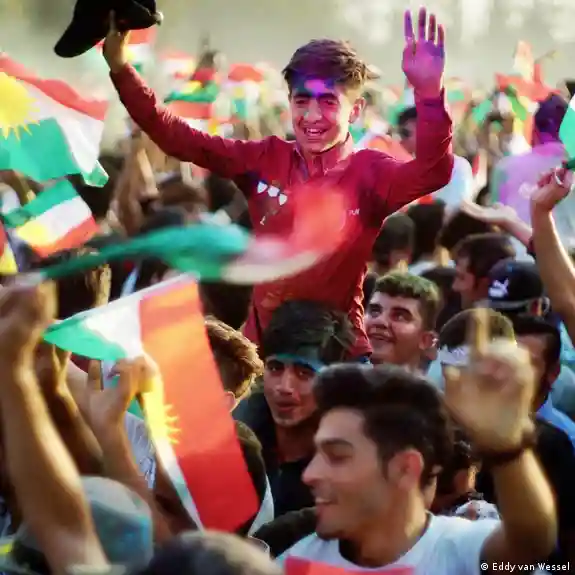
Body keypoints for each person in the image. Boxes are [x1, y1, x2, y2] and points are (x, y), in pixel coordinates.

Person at [102, 8, 454, 359]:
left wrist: (429, 94)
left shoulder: (372, 173)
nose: (312, 116)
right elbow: (177, 137)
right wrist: (120, 67)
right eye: (302, 101)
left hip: (337, 357)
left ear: (356, 110)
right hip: (264, 353)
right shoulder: (263, 158)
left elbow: (434, 171)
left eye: (328, 102)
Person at [279, 352, 557, 573]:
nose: (310, 475)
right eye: (316, 455)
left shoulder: (463, 552)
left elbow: (530, 544)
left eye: (337, 457)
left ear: (405, 468)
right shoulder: (295, 562)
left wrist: (509, 448)